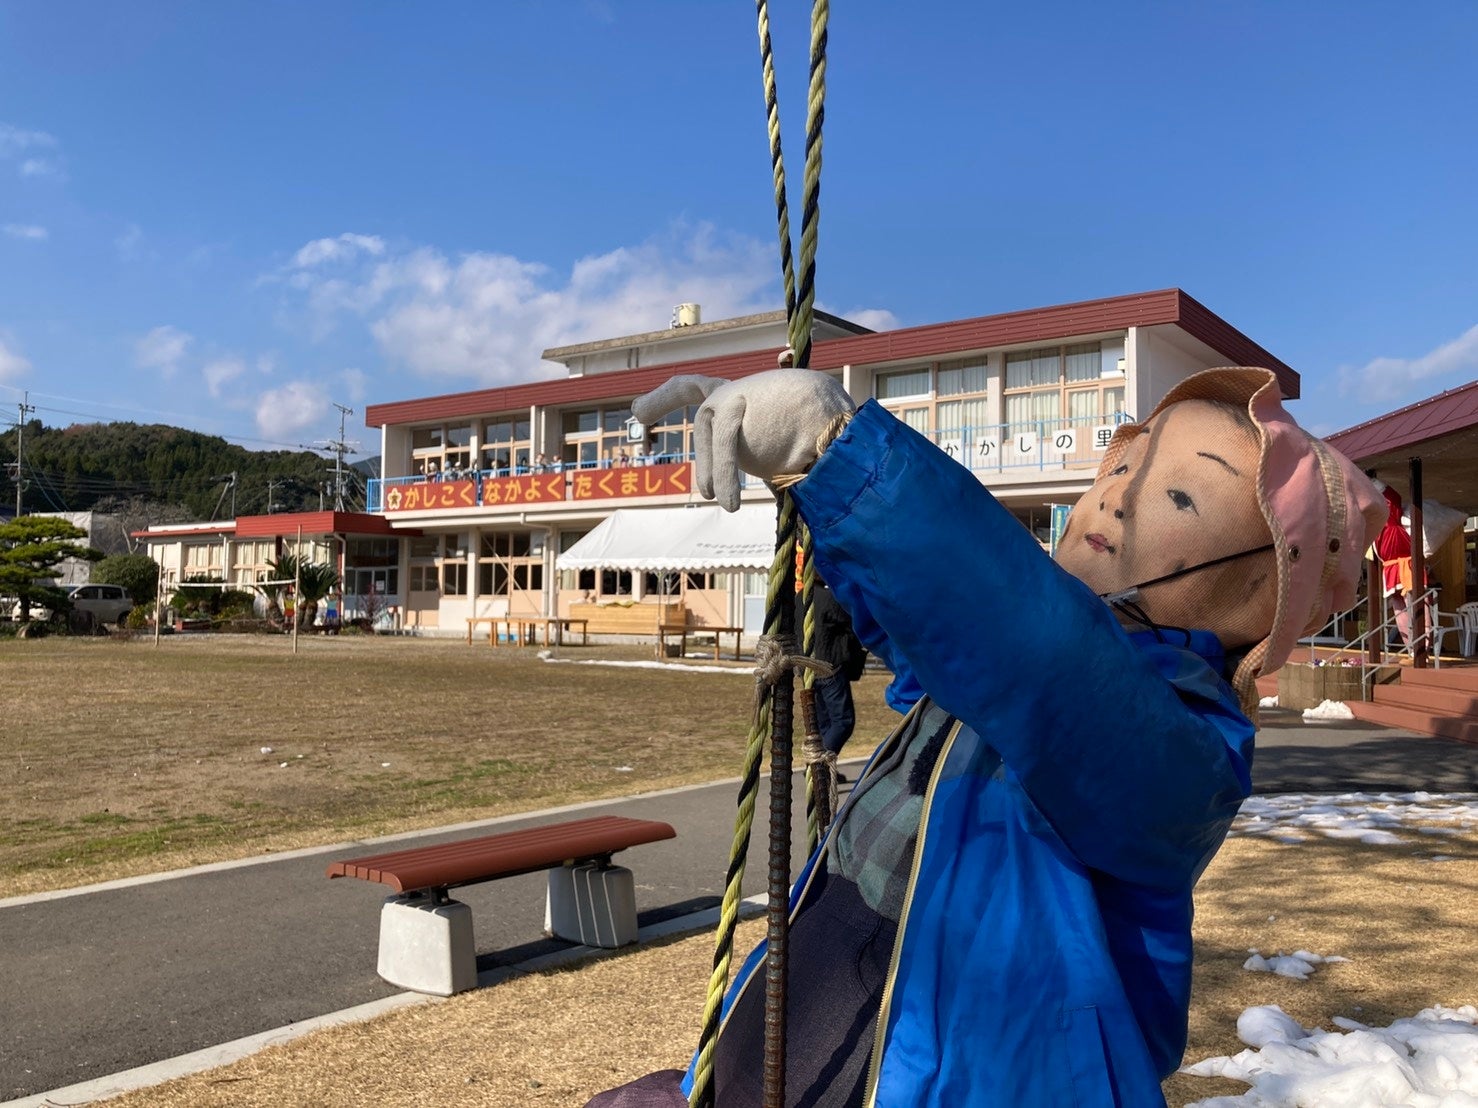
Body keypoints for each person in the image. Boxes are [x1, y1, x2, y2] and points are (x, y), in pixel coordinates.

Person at [590, 366, 1384, 1108]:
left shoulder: (1178, 744)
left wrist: (840, 453)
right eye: (1120, 472)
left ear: (1263, 598)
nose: (1113, 501)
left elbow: (1040, 652)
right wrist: (812, 495)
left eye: (1180, 499)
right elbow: (937, 630)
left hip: (959, 1050)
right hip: (826, 962)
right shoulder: (998, 667)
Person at [796, 564, 867, 767]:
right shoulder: (827, 600)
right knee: (842, 721)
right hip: (830, 667)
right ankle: (819, 764)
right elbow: (852, 623)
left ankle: (822, 770)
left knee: (823, 722)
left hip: (808, 668)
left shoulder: (797, 600)